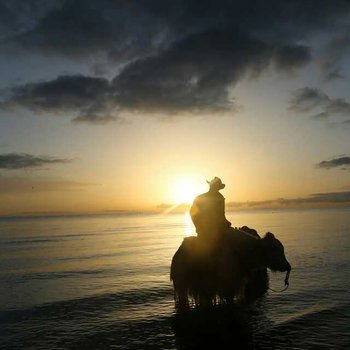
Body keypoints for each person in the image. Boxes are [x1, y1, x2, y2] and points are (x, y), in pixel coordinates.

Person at [190, 177, 231, 242]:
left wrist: (198, 228)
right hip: (215, 230)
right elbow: (222, 215)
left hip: (202, 230)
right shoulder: (220, 198)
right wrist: (227, 223)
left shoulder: (199, 198)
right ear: (218, 188)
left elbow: (192, 214)